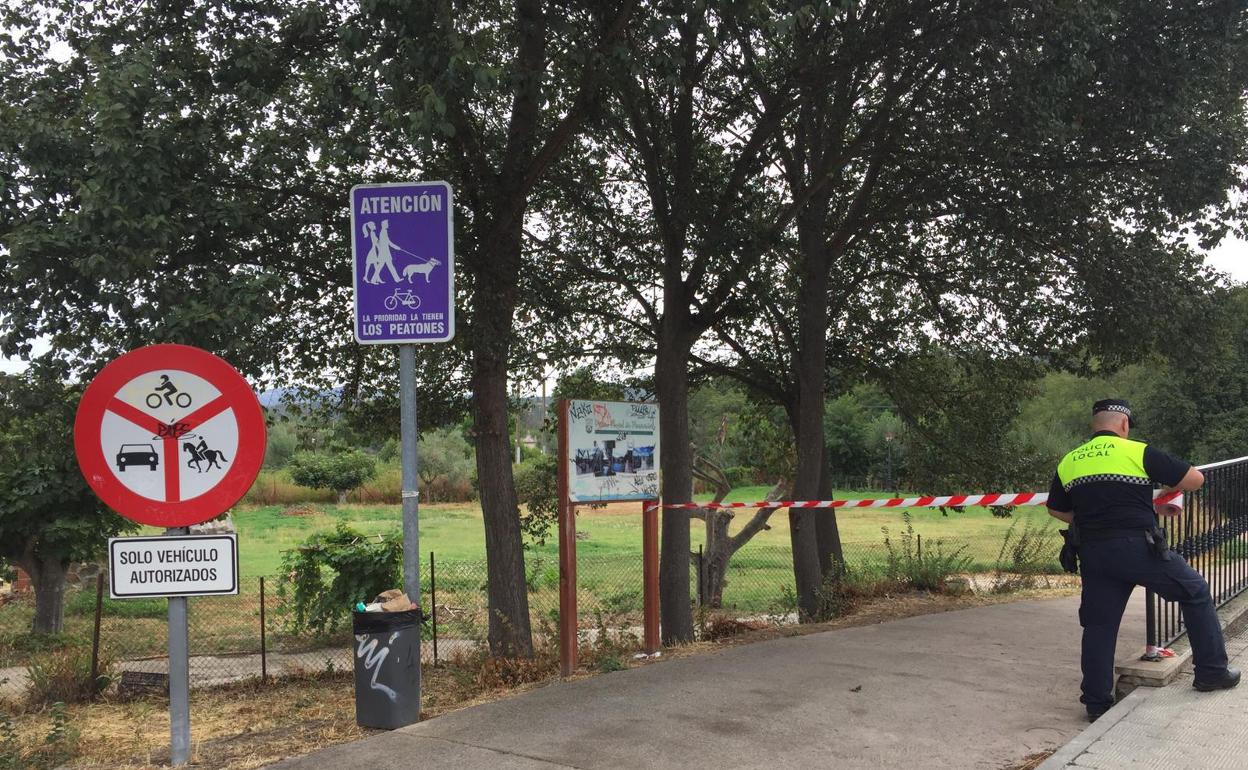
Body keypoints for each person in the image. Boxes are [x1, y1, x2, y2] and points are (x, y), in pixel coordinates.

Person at [1047, 399, 1240, 722]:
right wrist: (1157, 497)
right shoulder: (1137, 452)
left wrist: (1099, 519)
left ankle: (1096, 703)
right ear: (1123, 425)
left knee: (1099, 625)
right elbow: (1194, 480)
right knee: (1194, 591)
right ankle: (1211, 672)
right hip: (1139, 547)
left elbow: (1055, 508)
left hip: (1094, 552)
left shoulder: (1070, 461)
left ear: (1095, 425)